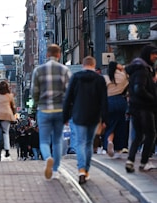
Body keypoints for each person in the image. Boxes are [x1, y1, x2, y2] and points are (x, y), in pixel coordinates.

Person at [63, 56, 108, 184]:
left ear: (83, 65)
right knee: (89, 143)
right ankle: (86, 170)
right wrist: (105, 118)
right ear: (93, 65)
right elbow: (104, 100)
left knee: (80, 143)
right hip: (94, 116)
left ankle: (81, 169)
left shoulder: (76, 78)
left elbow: (68, 99)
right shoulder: (99, 79)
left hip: (78, 115)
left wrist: (65, 116)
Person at [31, 44, 71, 179]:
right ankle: (55, 171)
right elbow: (68, 93)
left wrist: (38, 103)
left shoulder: (38, 70)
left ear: (47, 55)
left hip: (44, 109)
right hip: (60, 109)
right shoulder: (64, 70)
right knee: (58, 141)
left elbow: (34, 92)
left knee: (44, 141)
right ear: (59, 55)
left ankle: (48, 157)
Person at [124, 45, 157, 173]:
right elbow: (139, 89)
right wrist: (152, 98)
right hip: (144, 108)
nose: (155, 57)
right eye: (153, 54)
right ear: (148, 55)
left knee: (138, 135)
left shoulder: (140, 68)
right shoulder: (142, 70)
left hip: (135, 107)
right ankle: (144, 162)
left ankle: (130, 160)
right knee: (151, 134)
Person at [103, 61, 129, 159]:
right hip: (121, 101)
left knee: (110, 125)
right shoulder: (123, 77)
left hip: (109, 101)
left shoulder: (106, 78)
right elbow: (127, 75)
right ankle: (118, 148)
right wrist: (121, 68)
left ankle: (109, 141)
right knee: (120, 125)